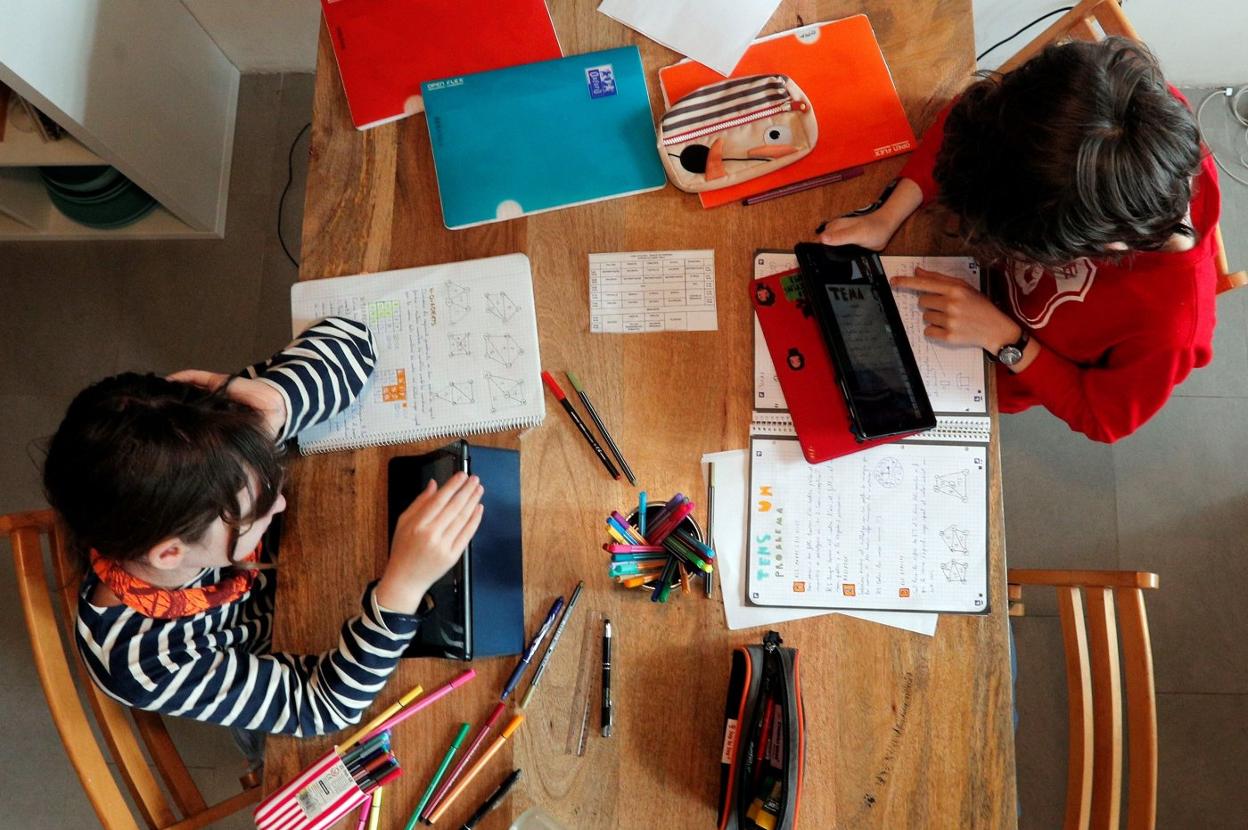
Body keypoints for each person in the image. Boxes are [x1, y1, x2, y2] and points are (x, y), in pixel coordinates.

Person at [42, 317, 483, 766]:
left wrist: (277, 402)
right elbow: (320, 705)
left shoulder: (203, 439)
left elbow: (352, 339)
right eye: (257, 510)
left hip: (293, 579)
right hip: (274, 682)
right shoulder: (144, 663)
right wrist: (401, 589)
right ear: (170, 553)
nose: (280, 506)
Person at [819, 38, 1220, 443]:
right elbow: (975, 122)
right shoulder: (1119, 106)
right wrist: (889, 214)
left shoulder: (1171, 331)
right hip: (960, 280)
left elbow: (1102, 419)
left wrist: (1005, 339)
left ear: (1106, 247)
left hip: (990, 368)